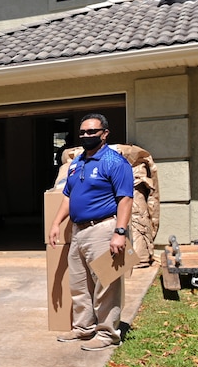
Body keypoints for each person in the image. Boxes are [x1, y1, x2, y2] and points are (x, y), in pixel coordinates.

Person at [48, 113, 134, 351]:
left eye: (91, 132)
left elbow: (125, 199)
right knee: (79, 283)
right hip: (78, 231)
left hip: (103, 228)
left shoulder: (115, 162)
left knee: (106, 283)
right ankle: (83, 328)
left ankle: (107, 333)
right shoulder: (77, 163)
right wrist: (56, 223)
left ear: (104, 133)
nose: (86, 136)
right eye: (83, 132)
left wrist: (120, 232)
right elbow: (68, 195)